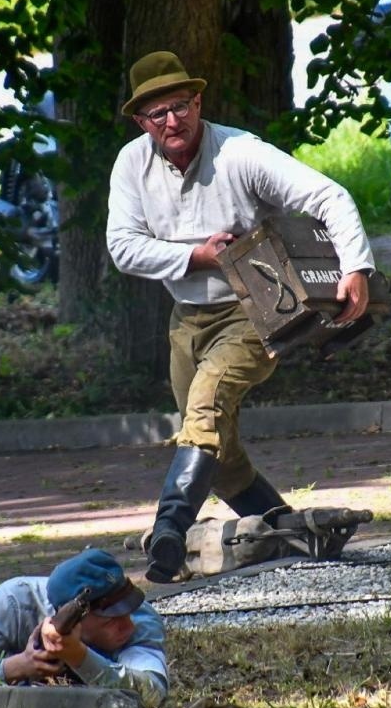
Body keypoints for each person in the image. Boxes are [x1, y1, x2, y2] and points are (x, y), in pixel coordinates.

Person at [106, 51, 375, 583]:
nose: (171, 121)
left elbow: (329, 195)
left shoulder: (239, 153)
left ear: (197, 101)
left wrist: (357, 268)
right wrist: (198, 255)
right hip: (187, 316)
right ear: (142, 122)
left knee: (206, 406)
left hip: (257, 309)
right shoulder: (131, 163)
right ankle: (289, 530)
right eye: (156, 114)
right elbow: (122, 247)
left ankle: (168, 530)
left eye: (179, 106)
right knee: (217, 450)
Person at [0, 549, 168, 708]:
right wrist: (18, 666)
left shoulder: (143, 618)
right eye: (110, 619)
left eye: (128, 609)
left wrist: (79, 656)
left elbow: (153, 693)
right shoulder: (14, 602)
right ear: (75, 621)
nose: (129, 624)